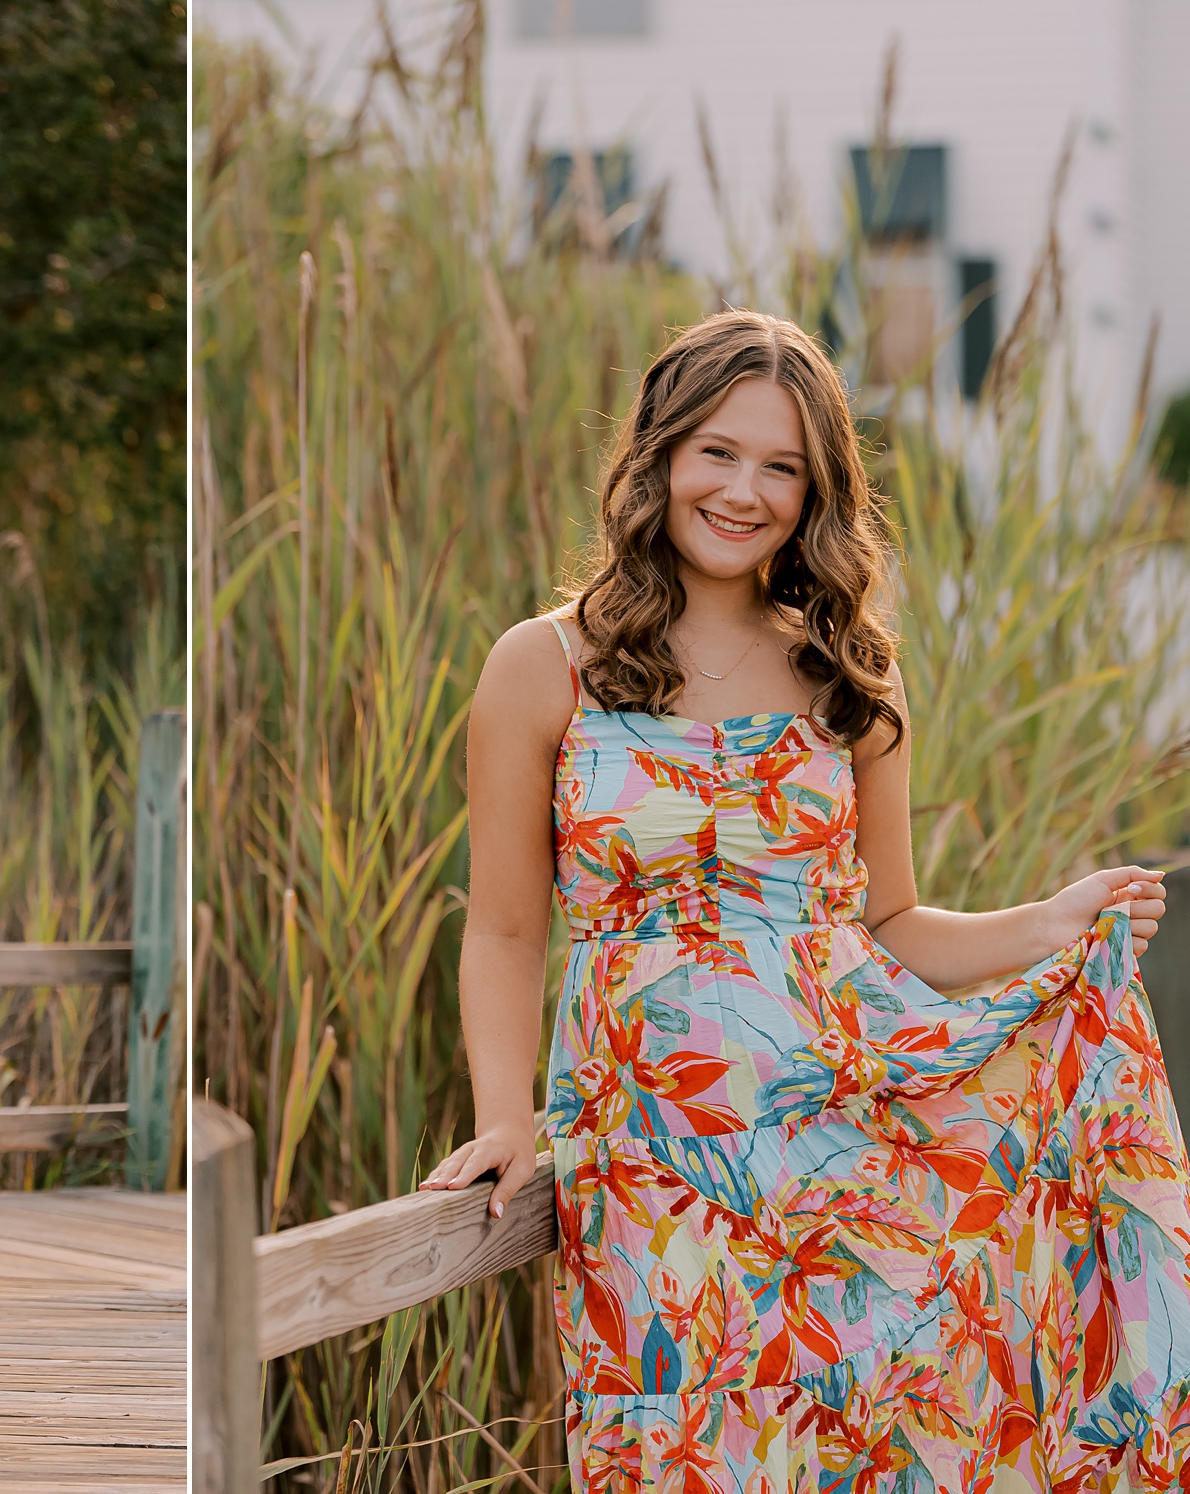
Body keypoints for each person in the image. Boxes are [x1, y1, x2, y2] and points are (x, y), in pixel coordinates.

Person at [419, 309, 1190, 1486]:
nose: (744, 490)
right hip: (654, 1157)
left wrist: (1046, 924)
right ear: (658, 453)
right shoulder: (544, 663)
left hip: (842, 1141)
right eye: (717, 452)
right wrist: (504, 1117)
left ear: (815, 491)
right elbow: (508, 927)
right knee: (672, 1438)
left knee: (867, 1438)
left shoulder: (845, 674)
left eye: (781, 465)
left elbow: (886, 925)